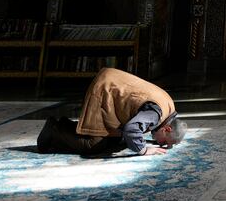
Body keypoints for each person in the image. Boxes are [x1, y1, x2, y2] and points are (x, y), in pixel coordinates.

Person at [35, 67, 186, 157]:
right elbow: (131, 129)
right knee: (94, 145)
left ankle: (63, 126)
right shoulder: (156, 114)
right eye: (165, 142)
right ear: (167, 128)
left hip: (112, 85)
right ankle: (54, 130)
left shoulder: (169, 108)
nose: (161, 144)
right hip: (106, 89)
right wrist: (144, 150)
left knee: (115, 142)